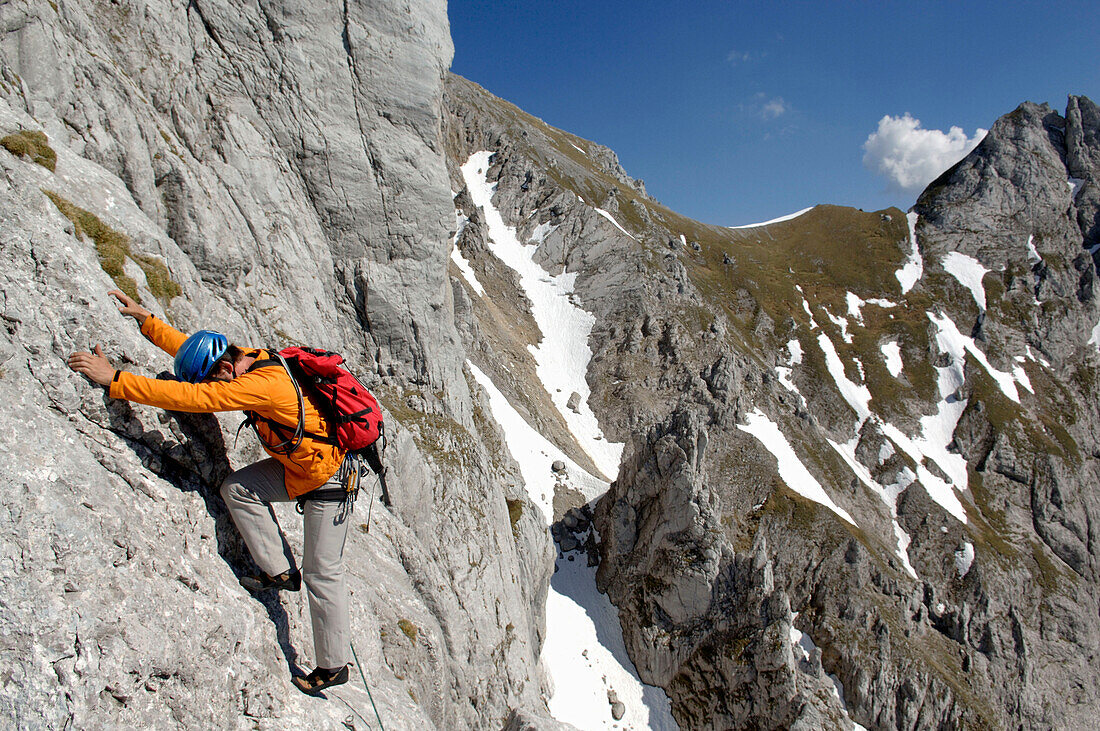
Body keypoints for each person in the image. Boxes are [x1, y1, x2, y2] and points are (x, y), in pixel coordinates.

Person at [67, 290, 356, 694]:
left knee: (323, 572)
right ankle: (280, 572)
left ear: (223, 369)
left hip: (328, 479)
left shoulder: (261, 385)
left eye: (211, 377)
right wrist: (147, 320)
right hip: (300, 468)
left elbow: (194, 396)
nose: (211, 383)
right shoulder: (247, 358)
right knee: (237, 489)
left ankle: (333, 665)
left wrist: (115, 380)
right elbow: (194, 350)